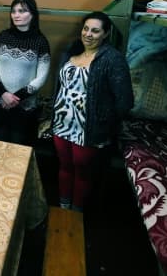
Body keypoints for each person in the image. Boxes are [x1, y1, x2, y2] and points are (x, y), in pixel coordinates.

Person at [52, 11, 134, 212]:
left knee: (82, 172)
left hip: (88, 129)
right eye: (86, 29)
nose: (88, 34)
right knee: (64, 166)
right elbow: (60, 86)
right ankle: (63, 209)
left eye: (95, 31)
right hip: (62, 124)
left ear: (105, 34)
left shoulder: (112, 59)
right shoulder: (72, 51)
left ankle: (76, 214)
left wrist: (104, 123)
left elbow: (125, 101)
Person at [0, 0, 51, 145]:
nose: (16, 15)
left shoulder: (40, 41)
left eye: (22, 11)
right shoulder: (3, 36)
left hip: (24, 108)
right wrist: (3, 94)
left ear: (33, 14)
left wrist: (15, 98)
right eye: (14, 11)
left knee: (19, 149)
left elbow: (41, 77)